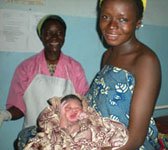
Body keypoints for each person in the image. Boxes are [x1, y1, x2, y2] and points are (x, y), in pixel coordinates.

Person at [86, 0, 161, 149]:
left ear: (138, 23)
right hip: (100, 140)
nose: (112, 26)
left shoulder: (145, 62)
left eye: (123, 19)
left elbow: (136, 138)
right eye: (106, 17)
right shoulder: (107, 56)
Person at [0, 15, 89, 130]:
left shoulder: (75, 68)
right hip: (33, 134)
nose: (54, 37)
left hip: (65, 136)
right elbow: (19, 107)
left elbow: (84, 104)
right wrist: (5, 115)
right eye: (48, 33)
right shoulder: (26, 68)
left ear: (64, 36)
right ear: (41, 36)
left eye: (59, 33)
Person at [24, 94, 128, 150]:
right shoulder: (54, 125)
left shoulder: (87, 122)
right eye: (68, 108)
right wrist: (63, 122)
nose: (73, 110)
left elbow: (107, 128)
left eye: (77, 108)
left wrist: (90, 119)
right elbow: (53, 140)